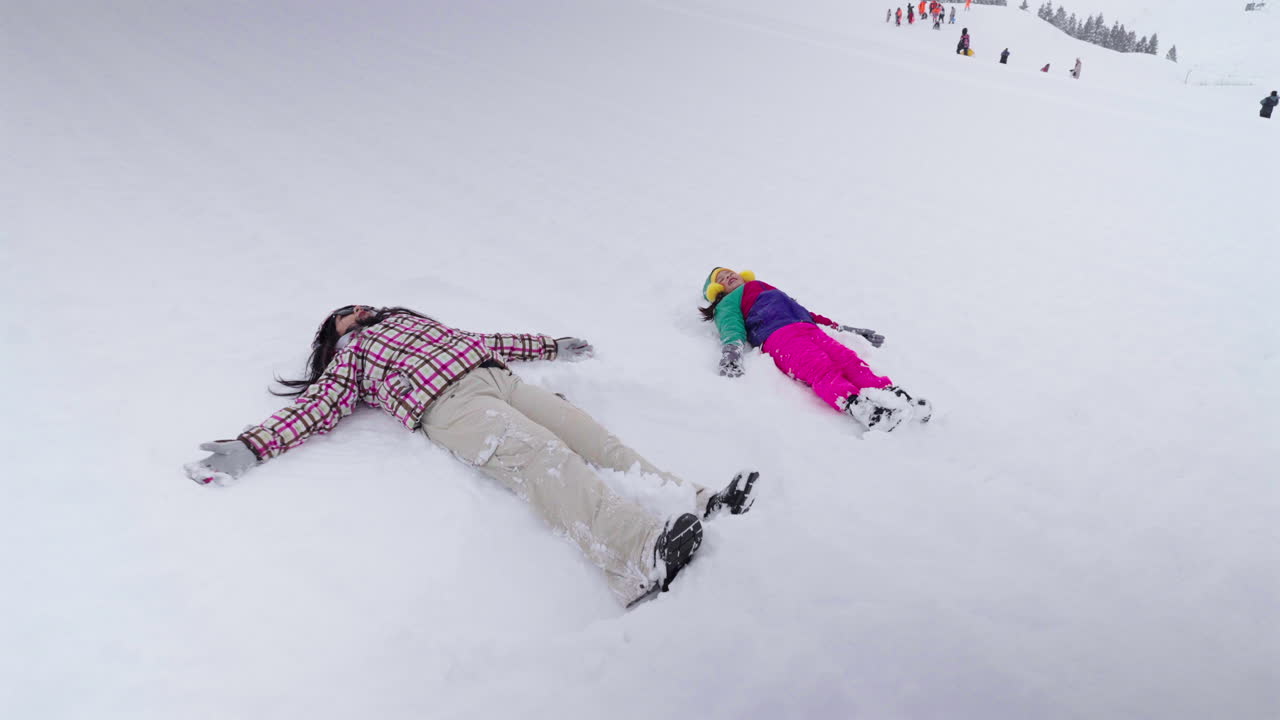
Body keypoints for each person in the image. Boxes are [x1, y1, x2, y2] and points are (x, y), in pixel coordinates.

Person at [184, 305, 760, 608]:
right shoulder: (351, 359)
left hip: (496, 380)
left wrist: (548, 345)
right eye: (344, 314)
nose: (358, 310)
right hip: (449, 406)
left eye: (361, 305)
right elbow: (317, 407)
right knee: (541, 458)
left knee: (593, 439)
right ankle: (638, 553)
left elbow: (487, 342)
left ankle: (694, 500)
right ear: (332, 337)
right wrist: (251, 445)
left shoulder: (412, 321)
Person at [699, 268, 932, 433]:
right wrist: (731, 352)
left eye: (730, 272)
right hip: (778, 336)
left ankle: (897, 397)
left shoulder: (767, 289)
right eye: (720, 278)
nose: (728, 275)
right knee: (821, 369)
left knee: (850, 361)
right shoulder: (728, 302)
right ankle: (865, 411)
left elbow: (809, 314)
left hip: (809, 329)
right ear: (717, 289)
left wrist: (846, 329)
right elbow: (731, 326)